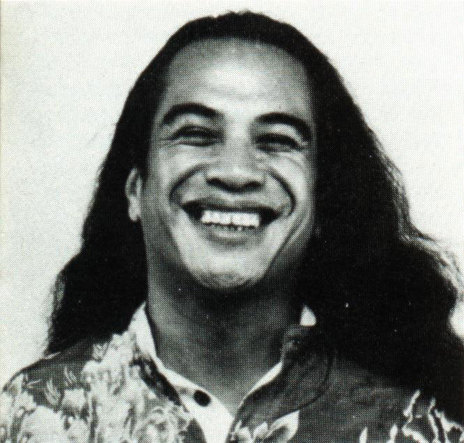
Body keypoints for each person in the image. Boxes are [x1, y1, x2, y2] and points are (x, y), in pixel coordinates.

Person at [1, 11, 463, 442]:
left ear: (322, 199)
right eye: (196, 134)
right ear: (135, 189)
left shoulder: (423, 424)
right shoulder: (29, 415)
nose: (236, 172)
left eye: (277, 140)